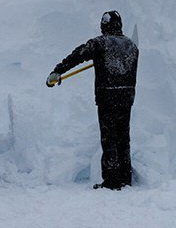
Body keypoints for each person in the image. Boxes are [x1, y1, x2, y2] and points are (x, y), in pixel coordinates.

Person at [47, 11, 139, 190]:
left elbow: (78, 55)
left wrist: (58, 70)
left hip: (107, 96)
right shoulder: (132, 46)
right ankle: (125, 178)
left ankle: (112, 180)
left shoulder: (100, 43)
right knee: (123, 138)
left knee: (109, 138)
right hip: (127, 96)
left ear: (104, 25)